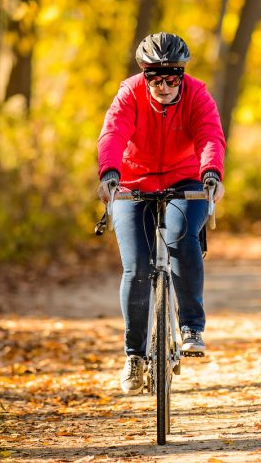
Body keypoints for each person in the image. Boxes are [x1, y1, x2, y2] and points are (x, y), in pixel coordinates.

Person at [96, 32, 226, 394]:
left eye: (172, 78)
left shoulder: (198, 94)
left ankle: (191, 328)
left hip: (187, 181)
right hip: (133, 182)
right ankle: (134, 355)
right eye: (155, 78)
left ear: (182, 75)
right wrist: (109, 173)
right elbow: (113, 134)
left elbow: (210, 136)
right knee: (137, 267)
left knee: (181, 240)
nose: (164, 85)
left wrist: (211, 174)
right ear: (144, 74)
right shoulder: (129, 93)